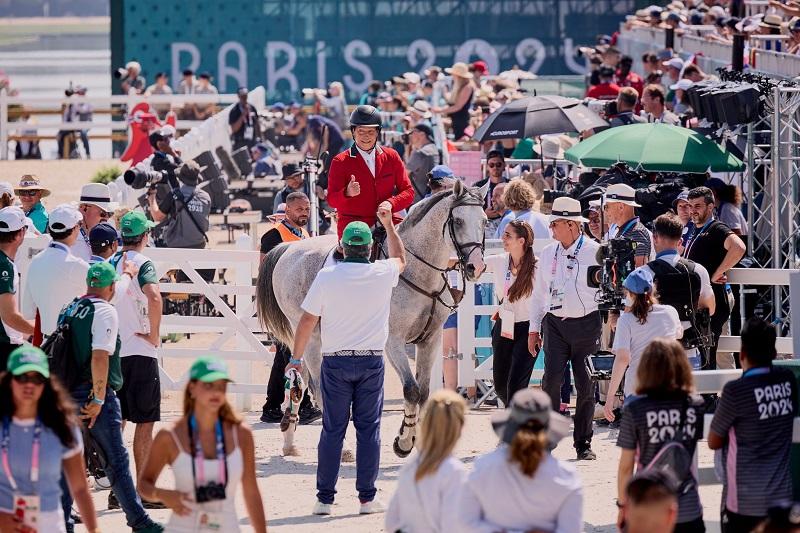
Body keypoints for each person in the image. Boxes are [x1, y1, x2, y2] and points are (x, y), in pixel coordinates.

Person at [289, 211, 406, 515]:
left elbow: (306, 322)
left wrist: (295, 359)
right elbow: (400, 258)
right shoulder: (382, 272)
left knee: (332, 430)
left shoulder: (327, 277)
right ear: (369, 248)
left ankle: (325, 499)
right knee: (369, 431)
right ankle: (366, 497)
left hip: (335, 361)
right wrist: (390, 226)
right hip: (370, 361)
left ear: (341, 247)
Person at [59, 262, 162, 533]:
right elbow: (100, 356)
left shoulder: (70, 307)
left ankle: (62, 521)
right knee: (115, 459)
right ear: (111, 286)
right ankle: (140, 522)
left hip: (65, 392)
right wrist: (99, 397)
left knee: (71, 458)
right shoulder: (104, 310)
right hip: (90, 392)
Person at [138, 356, 267, 532]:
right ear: (192, 388)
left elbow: (251, 491)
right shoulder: (170, 436)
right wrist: (163, 494)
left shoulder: (241, 434)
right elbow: (144, 485)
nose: (216, 392)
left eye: (222, 386)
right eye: (208, 385)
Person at [709, 317, 798, 533]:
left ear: (742, 355)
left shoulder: (735, 390)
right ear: (774, 354)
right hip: (781, 497)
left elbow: (713, 440)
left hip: (743, 501)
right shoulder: (786, 380)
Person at [528, 197, 601, 460]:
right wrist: (533, 329)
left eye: (555, 224)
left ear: (571, 224)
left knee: (585, 384)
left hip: (587, 323)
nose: (551, 229)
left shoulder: (595, 251)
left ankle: (583, 442)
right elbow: (538, 295)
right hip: (555, 323)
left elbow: (606, 289)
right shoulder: (548, 253)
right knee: (551, 380)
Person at [0, 346, 99, 533]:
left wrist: (94, 529)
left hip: (50, 525)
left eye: (37, 379)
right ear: (9, 380)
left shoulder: (63, 427)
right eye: (22, 378)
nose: (29, 385)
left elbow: (79, 488)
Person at [455, 389, 581, 532]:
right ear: (549, 428)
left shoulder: (484, 467)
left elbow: (465, 522)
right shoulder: (566, 477)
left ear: (509, 425)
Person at [616, 338, 706, 533]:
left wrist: (623, 506)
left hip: (648, 509)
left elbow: (625, 467)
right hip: (688, 507)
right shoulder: (695, 404)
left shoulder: (635, 408)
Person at [106, 211, 164, 509]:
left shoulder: (110, 261)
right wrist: (154, 334)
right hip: (140, 351)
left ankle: (117, 489)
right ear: (144, 236)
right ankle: (143, 490)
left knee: (120, 421)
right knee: (145, 421)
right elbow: (154, 297)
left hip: (115, 350)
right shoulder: (143, 262)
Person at [259, 192, 321, 426]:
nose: (304, 212)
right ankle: (298, 406)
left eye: (306, 208)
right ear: (287, 211)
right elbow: (266, 273)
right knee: (292, 353)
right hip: (282, 304)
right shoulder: (274, 236)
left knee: (288, 355)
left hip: (299, 304)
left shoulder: (304, 235)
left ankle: (275, 406)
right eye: (299, 209)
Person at [604, 269, 683, 420]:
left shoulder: (626, 320)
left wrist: (610, 397)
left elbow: (622, 359)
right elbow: (679, 333)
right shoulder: (670, 312)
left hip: (637, 386)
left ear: (630, 294)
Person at [327, 105, 414, 241]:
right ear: (353, 131)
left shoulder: (392, 156)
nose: (366, 136)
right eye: (361, 131)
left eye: (371, 132)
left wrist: (391, 203)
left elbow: (408, 192)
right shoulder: (340, 161)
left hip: (387, 222)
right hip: (354, 226)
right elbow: (332, 200)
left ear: (378, 132)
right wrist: (347, 193)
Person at [385, 389, 467, 533]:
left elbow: (391, 522)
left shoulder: (409, 468)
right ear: (459, 430)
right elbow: (452, 524)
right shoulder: (454, 471)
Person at [683, 186, 745, 369]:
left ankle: (711, 397)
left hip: (712, 304)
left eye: (698, 206)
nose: (693, 210)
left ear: (710, 207)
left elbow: (739, 247)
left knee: (707, 357)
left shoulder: (717, 228)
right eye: (690, 205)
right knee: (703, 356)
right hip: (699, 304)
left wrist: (718, 272)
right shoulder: (694, 229)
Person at [484, 220, 538, 406]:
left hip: (529, 328)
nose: (502, 238)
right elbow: (475, 265)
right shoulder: (500, 261)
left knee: (516, 386)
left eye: (508, 235)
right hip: (504, 325)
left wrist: (538, 331)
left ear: (521, 241)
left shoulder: (537, 267)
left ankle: (513, 425)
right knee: (500, 386)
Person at [21, 204, 88, 338]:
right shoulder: (77, 265)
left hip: (47, 344)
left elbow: (28, 311)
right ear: (75, 228)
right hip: (73, 345)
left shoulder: (36, 261)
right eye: (79, 225)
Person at [0, 207, 34, 368]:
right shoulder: (4, 265)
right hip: (5, 347)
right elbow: (9, 316)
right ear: (20, 233)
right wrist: (38, 330)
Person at [149, 161, 212, 250]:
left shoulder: (175, 194)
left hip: (178, 245)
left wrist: (152, 197)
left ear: (180, 178)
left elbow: (157, 217)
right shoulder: (205, 196)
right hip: (199, 243)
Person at [603, 183, 653, 267]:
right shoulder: (624, 231)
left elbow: (639, 272)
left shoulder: (637, 233)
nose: (605, 211)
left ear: (621, 207)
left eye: (607, 206)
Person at [72, 183, 118, 262]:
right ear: (83, 209)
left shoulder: (104, 234)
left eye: (109, 213)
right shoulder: (70, 239)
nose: (106, 217)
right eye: (103, 213)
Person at [436, 62, 475, 139]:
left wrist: (440, 110)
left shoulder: (467, 87)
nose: (452, 76)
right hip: (457, 121)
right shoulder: (459, 85)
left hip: (461, 122)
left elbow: (458, 106)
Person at [406, 123, 439, 203]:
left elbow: (404, 175)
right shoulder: (434, 149)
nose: (410, 136)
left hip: (416, 199)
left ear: (422, 134)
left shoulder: (419, 152)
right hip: (430, 196)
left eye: (412, 132)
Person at [474, 150, 509, 220]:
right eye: (491, 165)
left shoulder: (511, 185)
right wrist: (484, 214)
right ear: (487, 167)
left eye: (498, 164)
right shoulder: (478, 186)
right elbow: (472, 210)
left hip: (508, 223)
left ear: (504, 165)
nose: (495, 167)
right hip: (485, 226)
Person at [228, 87, 261, 152]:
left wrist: (260, 139)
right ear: (238, 96)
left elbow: (257, 124)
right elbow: (234, 129)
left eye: (245, 96)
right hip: (240, 142)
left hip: (252, 140)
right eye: (242, 96)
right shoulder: (234, 110)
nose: (244, 98)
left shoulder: (252, 108)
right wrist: (243, 115)